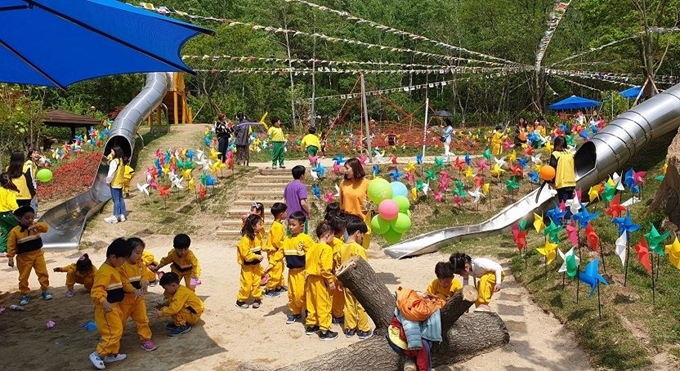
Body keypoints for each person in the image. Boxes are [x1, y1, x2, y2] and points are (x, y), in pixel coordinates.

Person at [89, 238, 132, 370]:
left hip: (114, 306)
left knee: (118, 329)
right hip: (106, 309)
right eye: (123, 259)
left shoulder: (113, 268)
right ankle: (98, 354)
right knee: (113, 332)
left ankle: (112, 354)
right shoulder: (104, 272)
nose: (124, 262)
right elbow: (96, 290)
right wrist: (104, 302)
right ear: (113, 257)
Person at [6, 205, 52, 305]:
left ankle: (45, 290)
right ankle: (25, 294)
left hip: (38, 254)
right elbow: (11, 246)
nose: (30, 220)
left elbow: (45, 228)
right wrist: (10, 258)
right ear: (19, 218)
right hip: (24, 257)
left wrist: (36, 225)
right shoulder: (15, 232)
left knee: (42, 272)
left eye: (32, 217)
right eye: (27, 218)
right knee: (23, 277)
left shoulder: (35, 227)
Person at [118, 237, 157, 352]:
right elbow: (124, 282)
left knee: (142, 319)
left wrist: (144, 281)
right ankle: (116, 340)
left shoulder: (140, 264)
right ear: (128, 252)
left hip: (139, 298)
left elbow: (144, 274)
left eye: (141, 253)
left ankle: (146, 339)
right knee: (120, 321)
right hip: (124, 300)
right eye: (137, 252)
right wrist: (133, 290)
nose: (139, 256)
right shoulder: (122, 265)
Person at [279, 211, 315, 324]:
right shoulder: (287, 239)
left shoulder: (305, 239)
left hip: (302, 272)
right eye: (289, 224)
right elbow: (281, 252)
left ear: (301, 226)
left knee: (301, 293)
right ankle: (295, 313)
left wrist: (311, 270)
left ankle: (309, 311)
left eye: (293, 225)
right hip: (291, 272)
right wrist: (272, 264)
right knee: (292, 294)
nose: (290, 227)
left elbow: (313, 254)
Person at [305, 222, 338, 340]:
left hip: (310, 278)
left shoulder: (312, 247)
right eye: (333, 235)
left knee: (312, 302)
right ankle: (324, 330)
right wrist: (330, 281)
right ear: (328, 235)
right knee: (324, 303)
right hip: (320, 279)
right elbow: (325, 268)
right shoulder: (326, 248)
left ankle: (311, 324)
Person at [339, 217, 372, 339]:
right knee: (361, 305)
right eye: (362, 235)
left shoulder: (342, 247)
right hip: (359, 282)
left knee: (348, 304)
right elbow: (364, 266)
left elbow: (339, 263)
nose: (362, 238)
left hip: (347, 281)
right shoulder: (359, 248)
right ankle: (363, 329)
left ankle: (350, 328)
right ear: (358, 233)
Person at [153, 272, 205, 337]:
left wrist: (160, 313)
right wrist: (163, 304)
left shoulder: (180, 294)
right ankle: (178, 322)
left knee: (173, 308)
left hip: (193, 314)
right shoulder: (179, 289)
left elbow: (174, 309)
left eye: (166, 289)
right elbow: (172, 299)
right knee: (172, 305)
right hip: (193, 310)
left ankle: (183, 325)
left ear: (173, 285)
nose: (165, 291)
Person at [339, 158, 371, 249]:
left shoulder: (366, 183)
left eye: (347, 168)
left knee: (359, 248)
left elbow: (370, 202)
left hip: (360, 220)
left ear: (355, 168)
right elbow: (341, 202)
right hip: (347, 219)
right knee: (348, 245)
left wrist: (368, 206)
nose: (345, 171)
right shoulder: (343, 183)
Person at [235, 214, 265, 309]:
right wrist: (257, 256)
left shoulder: (258, 235)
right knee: (246, 283)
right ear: (253, 226)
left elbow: (261, 245)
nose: (262, 226)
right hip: (247, 266)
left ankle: (257, 298)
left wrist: (267, 248)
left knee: (257, 282)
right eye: (260, 224)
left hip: (255, 265)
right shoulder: (245, 239)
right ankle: (240, 300)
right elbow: (246, 255)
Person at [549, 136, 576, 221]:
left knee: (564, 202)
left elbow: (552, 170)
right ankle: (570, 219)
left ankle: (567, 221)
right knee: (569, 202)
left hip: (562, 182)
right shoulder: (570, 153)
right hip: (571, 181)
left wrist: (551, 182)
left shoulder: (555, 154)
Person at [264, 202, 287, 298]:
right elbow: (277, 241)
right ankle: (269, 289)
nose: (287, 213)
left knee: (280, 268)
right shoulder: (277, 226)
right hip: (274, 252)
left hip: (277, 252)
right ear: (281, 214)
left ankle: (279, 286)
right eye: (286, 212)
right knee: (274, 271)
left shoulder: (277, 224)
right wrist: (285, 245)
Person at [104, 146, 128, 223]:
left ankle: (115, 216)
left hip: (114, 183)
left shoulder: (115, 162)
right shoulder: (121, 160)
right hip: (120, 182)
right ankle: (122, 215)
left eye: (112, 151)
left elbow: (111, 173)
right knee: (120, 198)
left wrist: (108, 181)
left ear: (116, 152)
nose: (111, 153)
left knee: (116, 200)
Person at [283, 165, 311, 232]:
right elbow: (303, 202)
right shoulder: (301, 186)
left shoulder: (288, 186)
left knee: (290, 236)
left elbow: (285, 201)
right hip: (300, 217)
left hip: (290, 216)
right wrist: (309, 212)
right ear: (302, 175)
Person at [0, 172, 19, 256]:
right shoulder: (10, 191)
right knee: (21, 227)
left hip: (0, 214)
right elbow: (12, 204)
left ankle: (2, 249)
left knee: (6, 231)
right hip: (8, 213)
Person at [25, 149, 41, 215]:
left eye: (38, 153)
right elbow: (29, 178)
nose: (37, 155)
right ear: (30, 155)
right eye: (34, 153)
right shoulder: (29, 164)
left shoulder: (33, 164)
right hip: (30, 188)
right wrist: (33, 190)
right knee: (33, 204)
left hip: (33, 186)